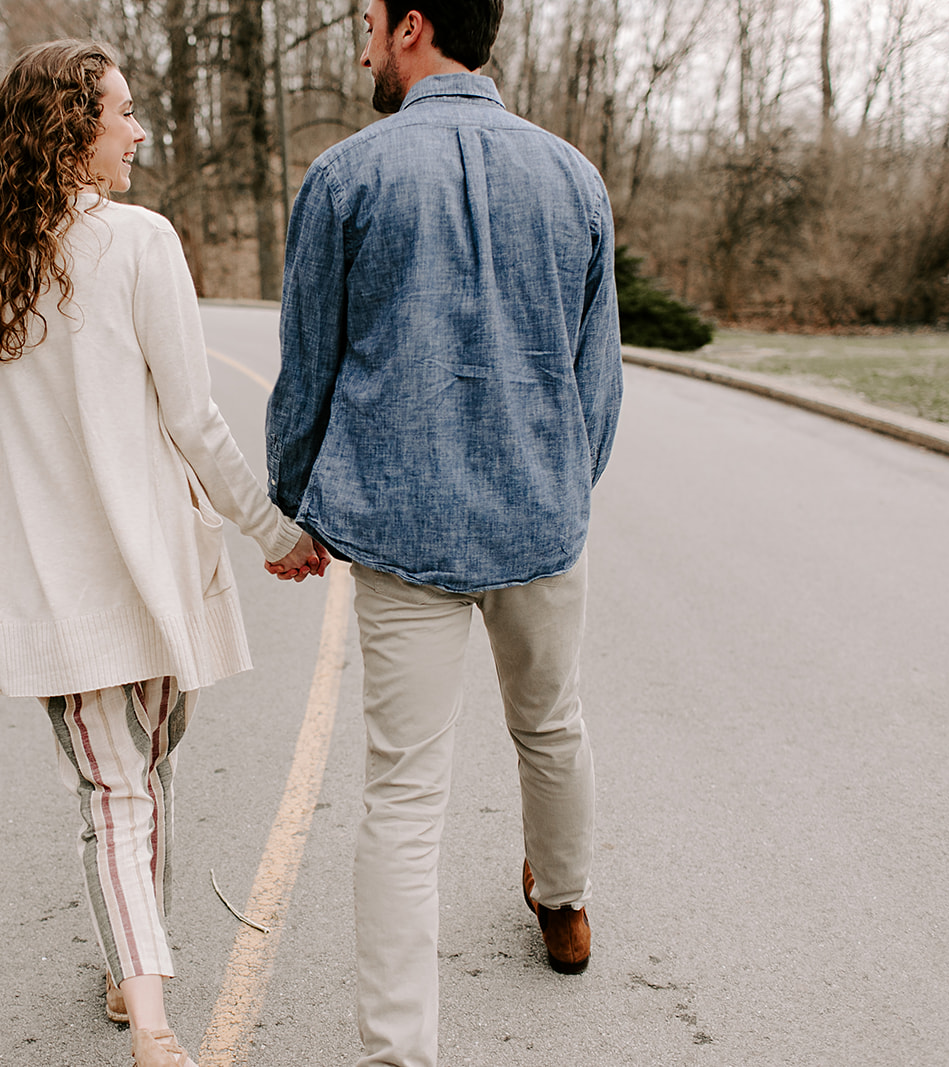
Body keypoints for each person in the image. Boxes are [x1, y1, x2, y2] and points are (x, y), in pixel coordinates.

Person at [0, 39, 327, 1067]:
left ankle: (127, 969)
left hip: (54, 580)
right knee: (134, 785)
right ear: (72, 127)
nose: (140, 129)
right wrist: (275, 532)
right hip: (151, 578)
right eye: (124, 112)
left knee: (126, 784)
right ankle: (153, 1023)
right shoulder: (140, 242)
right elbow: (194, 419)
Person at [264, 2, 624, 1065]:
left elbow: (308, 371)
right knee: (550, 724)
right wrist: (561, 485)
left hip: (401, 526)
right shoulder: (572, 177)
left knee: (404, 796)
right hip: (539, 519)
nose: (362, 41)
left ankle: (397, 1052)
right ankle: (564, 904)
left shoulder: (346, 176)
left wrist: (295, 502)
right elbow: (595, 380)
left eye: (369, 20)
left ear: (414, 25)